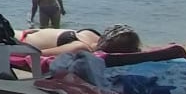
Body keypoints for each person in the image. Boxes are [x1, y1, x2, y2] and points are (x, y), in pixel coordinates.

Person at [14, 25, 142, 58]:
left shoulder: (92, 34)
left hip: (23, 34)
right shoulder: (80, 48)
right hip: (17, 40)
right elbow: (37, 54)